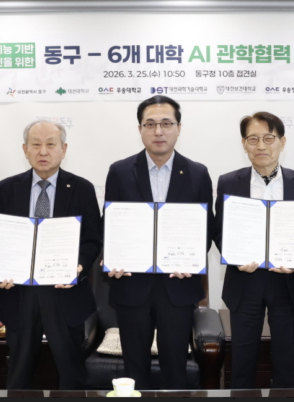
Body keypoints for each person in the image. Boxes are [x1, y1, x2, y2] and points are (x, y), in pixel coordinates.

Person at [102, 95, 214, 390]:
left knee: (176, 368)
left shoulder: (198, 173)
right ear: (140, 129)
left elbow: (206, 228)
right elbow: (110, 224)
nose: (159, 131)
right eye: (150, 124)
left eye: (166, 123)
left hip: (177, 286)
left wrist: (191, 260)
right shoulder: (120, 171)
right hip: (131, 285)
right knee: (133, 369)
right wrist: (111, 258)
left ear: (179, 128)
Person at [0, 120, 102, 389]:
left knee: (71, 374)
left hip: (64, 295)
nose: (43, 151)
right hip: (20, 294)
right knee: (19, 375)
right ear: (25, 149)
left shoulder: (82, 188)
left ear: (64, 149)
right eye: (36, 144)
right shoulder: (5, 189)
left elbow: (92, 239)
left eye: (51, 144)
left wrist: (79, 266)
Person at [214, 112, 294, 389]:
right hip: (244, 280)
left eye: (269, 138)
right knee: (242, 359)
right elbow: (219, 229)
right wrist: (234, 256)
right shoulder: (228, 182)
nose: (261, 146)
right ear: (244, 144)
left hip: (287, 281)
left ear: (282, 142)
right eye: (253, 139)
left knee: (286, 359)